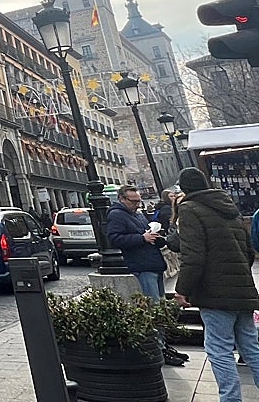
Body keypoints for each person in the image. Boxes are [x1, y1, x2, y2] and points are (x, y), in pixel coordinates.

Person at [174, 166, 259, 402]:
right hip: (242, 290)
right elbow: (248, 251)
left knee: (219, 350)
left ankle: (230, 399)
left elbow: (193, 255)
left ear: (184, 188)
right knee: (251, 348)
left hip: (215, 293)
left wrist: (182, 289)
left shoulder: (189, 209)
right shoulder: (228, 207)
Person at [106, 185, 187, 366]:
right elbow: (114, 239)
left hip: (154, 263)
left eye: (138, 201)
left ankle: (164, 345)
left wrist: (157, 238)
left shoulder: (137, 214)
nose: (137, 204)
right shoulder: (117, 215)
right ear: (122, 199)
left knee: (160, 307)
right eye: (133, 201)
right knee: (154, 308)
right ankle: (158, 348)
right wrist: (141, 238)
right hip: (143, 266)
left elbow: (146, 235)